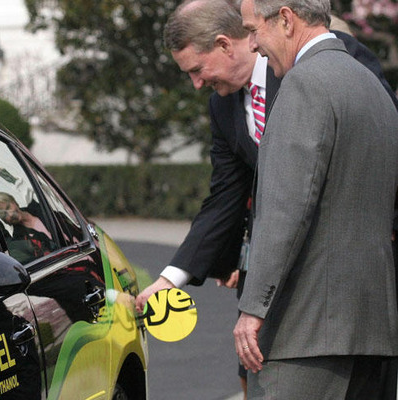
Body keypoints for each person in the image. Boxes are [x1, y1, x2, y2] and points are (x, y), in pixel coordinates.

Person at [133, 0, 398, 396]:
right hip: (355, 319)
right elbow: (226, 196)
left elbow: (293, 204)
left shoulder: (317, 72)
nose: (196, 83)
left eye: (196, 69)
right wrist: (173, 277)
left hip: (312, 316)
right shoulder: (224, 107)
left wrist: (255, 306)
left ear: (226, 44)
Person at [234, 0, 398, 397]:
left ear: (286, 19)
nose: (252, 44)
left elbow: (286, 210)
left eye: (254, 29)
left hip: (305, 334)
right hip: (373, 331)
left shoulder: (305, 83)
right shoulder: (372, 86)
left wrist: (253, 308)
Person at [0, 189, 55, 262]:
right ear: (4, 221)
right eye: (5, 215)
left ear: (14, 201)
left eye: (8, 207)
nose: (11, 214)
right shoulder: (20, 240)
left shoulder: (40, 207)